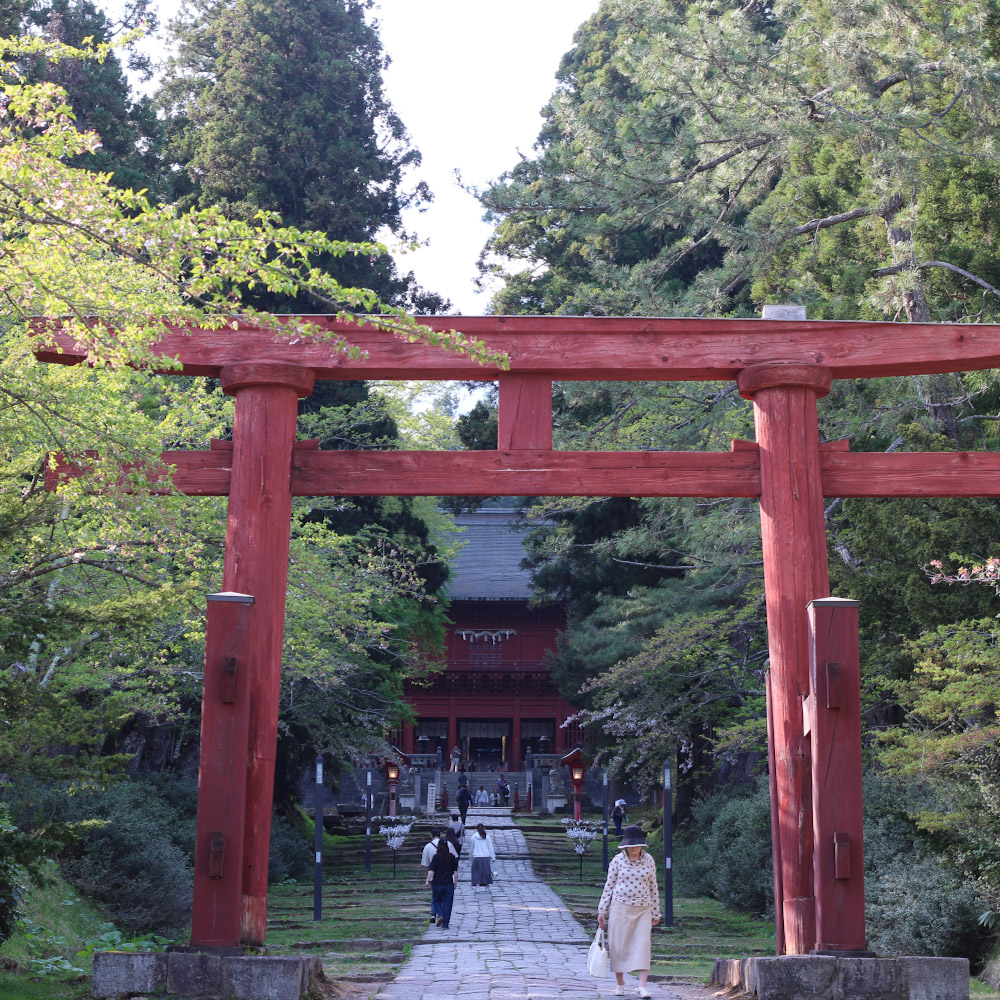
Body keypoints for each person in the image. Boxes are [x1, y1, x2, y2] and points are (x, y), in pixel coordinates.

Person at [597, 826, 661, 999]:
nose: (633, 848)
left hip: (643, 908)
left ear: (642, 845)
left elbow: (653, 887)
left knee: (643, 944)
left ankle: (641, 986)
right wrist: (602, 909)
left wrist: (656, 912)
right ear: (624, 846)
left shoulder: (649, 861)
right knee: (619, 945)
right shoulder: (617, 861)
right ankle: (620, 984)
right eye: (630, 845)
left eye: (637, 845)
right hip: (620, 907)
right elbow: (609, 886)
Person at [420, 828, 457, 920]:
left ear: (431, 835)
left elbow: (426, 864)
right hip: (448, 876)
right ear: (440, 835)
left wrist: (428, 877)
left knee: (435, 897)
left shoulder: (427, 847)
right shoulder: (449, 844)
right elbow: (454, 859)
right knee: (446, 899)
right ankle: (443, 916)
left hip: (435, 876)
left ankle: (434, 914)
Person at [426, 838, 458, 928]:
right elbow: (455, 872)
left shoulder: (436, 857)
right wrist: (456, 883)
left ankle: (440, 915)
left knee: (436, 901)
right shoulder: (452, 857)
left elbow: (431, 870)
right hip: (448, 884)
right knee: (448, 904)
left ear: (438, 846)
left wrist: (427, 880)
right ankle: (445, 924)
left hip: (437, 883)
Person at [469, 822, 496, 888]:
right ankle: (487, 886)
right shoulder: (487, 836)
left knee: (476, 873)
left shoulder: (473, 837)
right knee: (486, 873)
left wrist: (470, 857)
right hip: (486, 856)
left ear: (476, 829)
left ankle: (477, 887)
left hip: (476, 856)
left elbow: (471, 848)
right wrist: (493, 857)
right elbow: (490, 848)